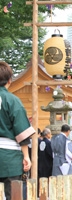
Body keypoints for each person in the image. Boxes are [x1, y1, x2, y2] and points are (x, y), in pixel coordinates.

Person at [0, 61, 35, 200]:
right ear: (9, 80)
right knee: (14, 195)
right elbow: (21, 131)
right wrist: (26, 156)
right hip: (11, 158)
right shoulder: (12, 100)